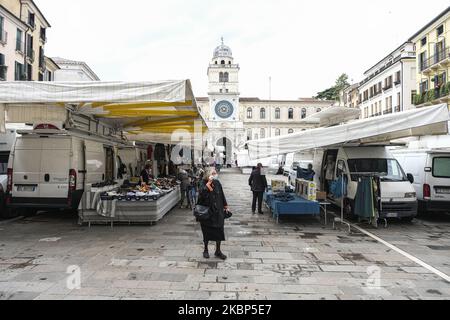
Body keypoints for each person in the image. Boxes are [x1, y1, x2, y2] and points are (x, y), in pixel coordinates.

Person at [197, 168, 229, 260]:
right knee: (206, 231)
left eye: (215, 173)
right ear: (208, 174)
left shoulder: (217, 183)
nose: (215, 174)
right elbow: (202, 195)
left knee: (219, 230)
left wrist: (225, 205)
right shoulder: (203, 183)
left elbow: (222, 194)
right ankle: (206, 250)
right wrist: (208, 184)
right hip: (207, 212)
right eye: (213, 173)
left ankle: (218, 251)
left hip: (218, 211)